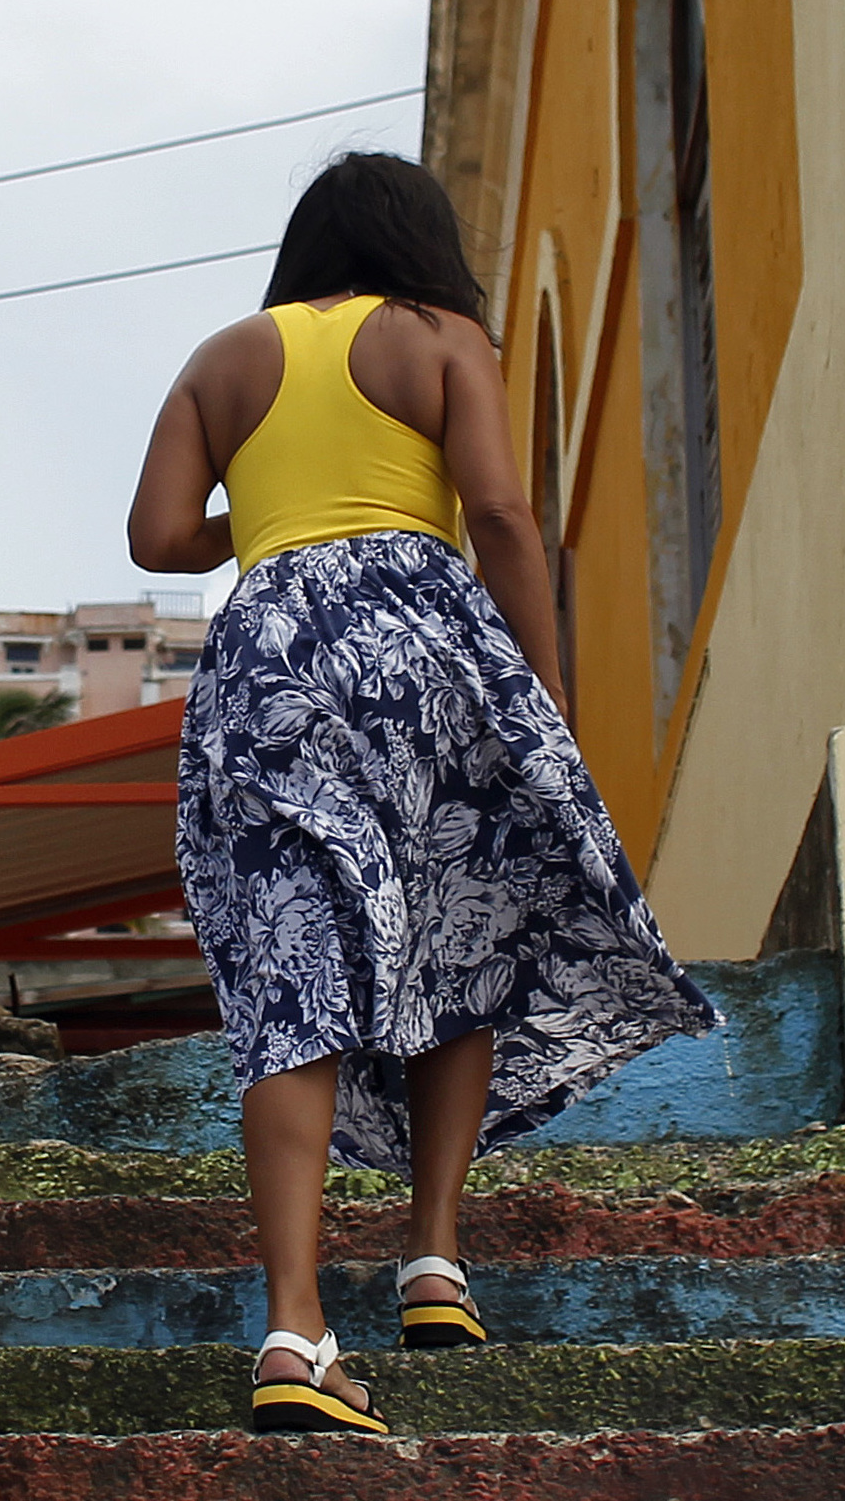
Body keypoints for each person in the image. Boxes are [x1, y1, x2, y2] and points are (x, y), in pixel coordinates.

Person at [127, 150, 715, 1436]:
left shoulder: (224, 357)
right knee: (466, 927)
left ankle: (294, 1327)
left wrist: (273, 510)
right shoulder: (442, 336)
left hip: (271, 656)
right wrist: (540, 691)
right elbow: (500, 512)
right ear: (424, 243)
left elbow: (159, 538)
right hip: (422, 641)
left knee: (296, 977)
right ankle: (433, 1260)